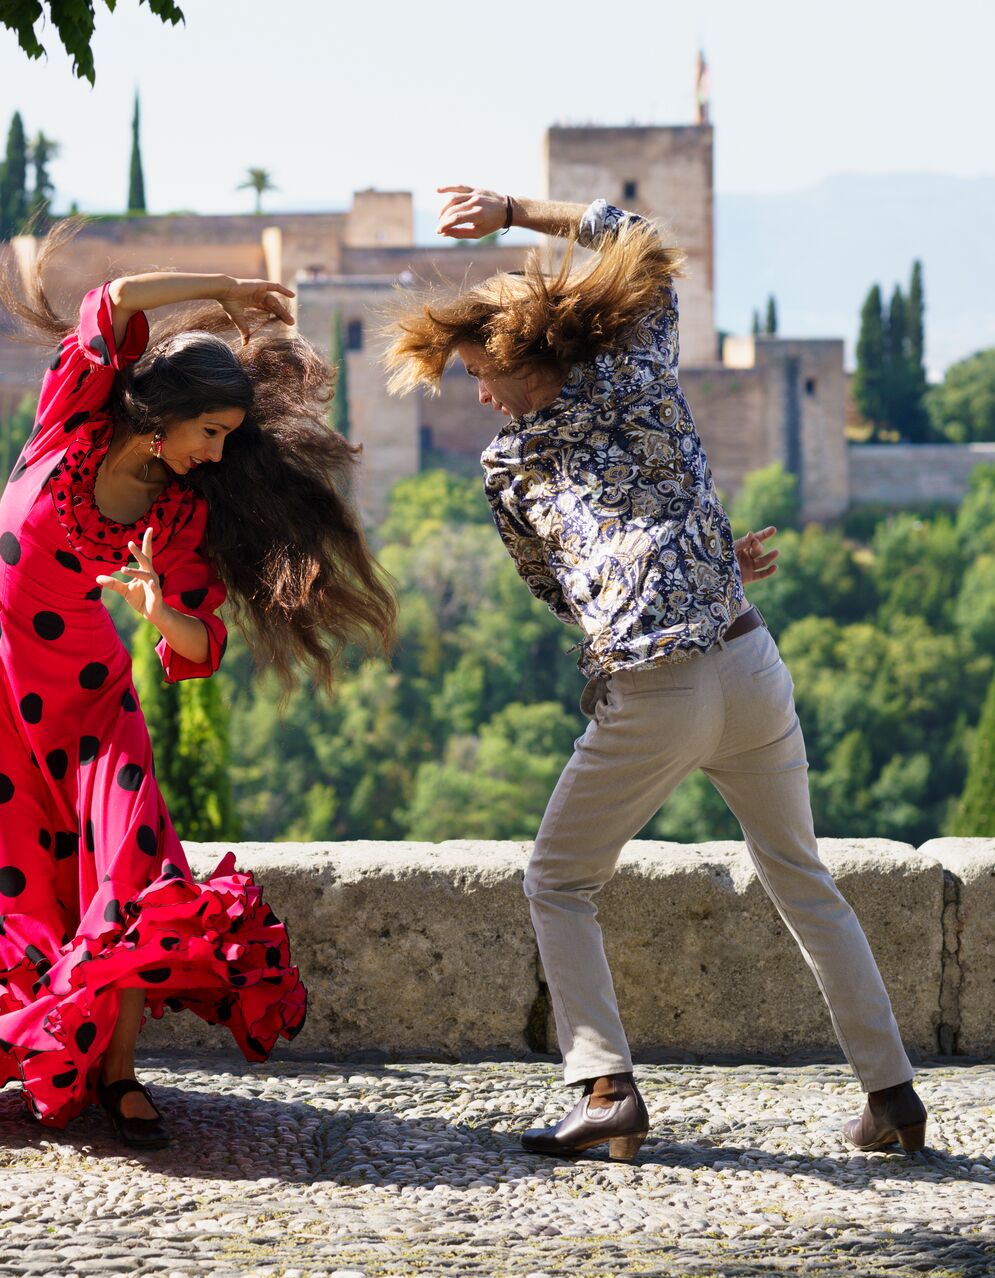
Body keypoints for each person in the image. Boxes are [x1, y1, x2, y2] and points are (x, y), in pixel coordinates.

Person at [0, 221, 396, 1146]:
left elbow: (201, 647)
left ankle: (117, 1077)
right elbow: (112, 303)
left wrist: (160, 610)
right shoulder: (71, 416)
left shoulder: (180, 509)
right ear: (159, 415)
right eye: (209, 431)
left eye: (227, 438)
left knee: (126, 877)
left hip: (92, 706)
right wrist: (230, 289)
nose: (213, 452)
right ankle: (25, 1055)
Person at [382, 186, 927, 1161]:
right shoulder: (643, 365)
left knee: (558, 878)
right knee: (804, 876)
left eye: (476, 372)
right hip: (750, 659)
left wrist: (678, 568)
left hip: (659, 686)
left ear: (514, 357)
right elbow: (638, 241)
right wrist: (513, 210)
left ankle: (604, 1088)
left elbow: (566, 589)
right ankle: (892, 1096)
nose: (477, 395)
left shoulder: (511, 464)